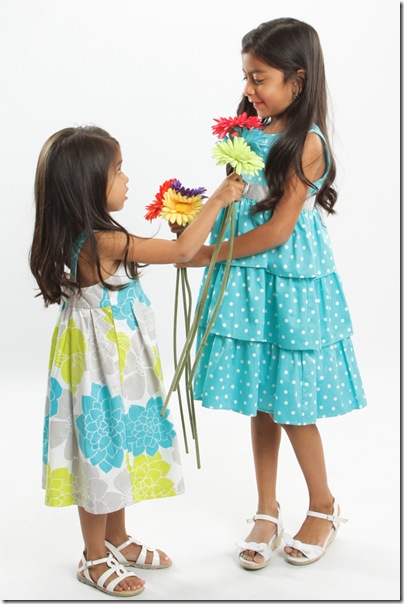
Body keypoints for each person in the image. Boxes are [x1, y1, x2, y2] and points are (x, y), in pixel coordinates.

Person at [178, 18, 367, 569]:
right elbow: (238, 196)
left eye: (259, 78)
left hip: (286, 279)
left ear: (297, 80)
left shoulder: (307, 144)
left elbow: (279, 230)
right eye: (245, 77)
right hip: (249, 279)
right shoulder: (249, 129)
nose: (248, 88)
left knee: (291, 403)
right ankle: (266, 508)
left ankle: (325, 505)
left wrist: (209, 253)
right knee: (261, 396)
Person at [29, 125, 243, 596]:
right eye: (118, 170)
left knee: (117, 441)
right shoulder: (100, 240)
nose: (126, 179)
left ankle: (117, 537)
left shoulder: (100, 236)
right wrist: (219, 199)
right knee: (100, 449)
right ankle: (93, 556)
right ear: (89, 184)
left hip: (116, 364)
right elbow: (182, 252)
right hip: (97, 369)